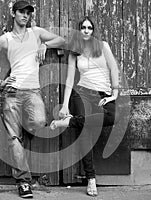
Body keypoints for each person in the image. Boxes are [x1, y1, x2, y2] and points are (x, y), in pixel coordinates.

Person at [0, 1, 65, 198]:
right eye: (21, 12)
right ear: (13, 13)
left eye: (28, 12)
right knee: (13, 139)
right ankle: (23, 181)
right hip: (11, 93)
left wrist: (46, 44)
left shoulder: (36, 33)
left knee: (38, 122)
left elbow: (62, 40)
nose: (25, 15)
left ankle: (24, 131)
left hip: (32, 91)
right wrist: (0, 82)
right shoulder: (5, 39)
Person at [50, 16, 119, 197]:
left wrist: (115, 93)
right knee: (86, 131)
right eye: (83, 27)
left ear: (93, 30)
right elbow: (70, 79)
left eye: (89, 27)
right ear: (79, 30)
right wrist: (65, 105)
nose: (86, 30)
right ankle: (91, 178)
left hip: (102, 94)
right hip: (82, 94)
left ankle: (71, 122)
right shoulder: (75, 51)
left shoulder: (103, 46)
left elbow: (113, 68)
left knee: (112, 117)